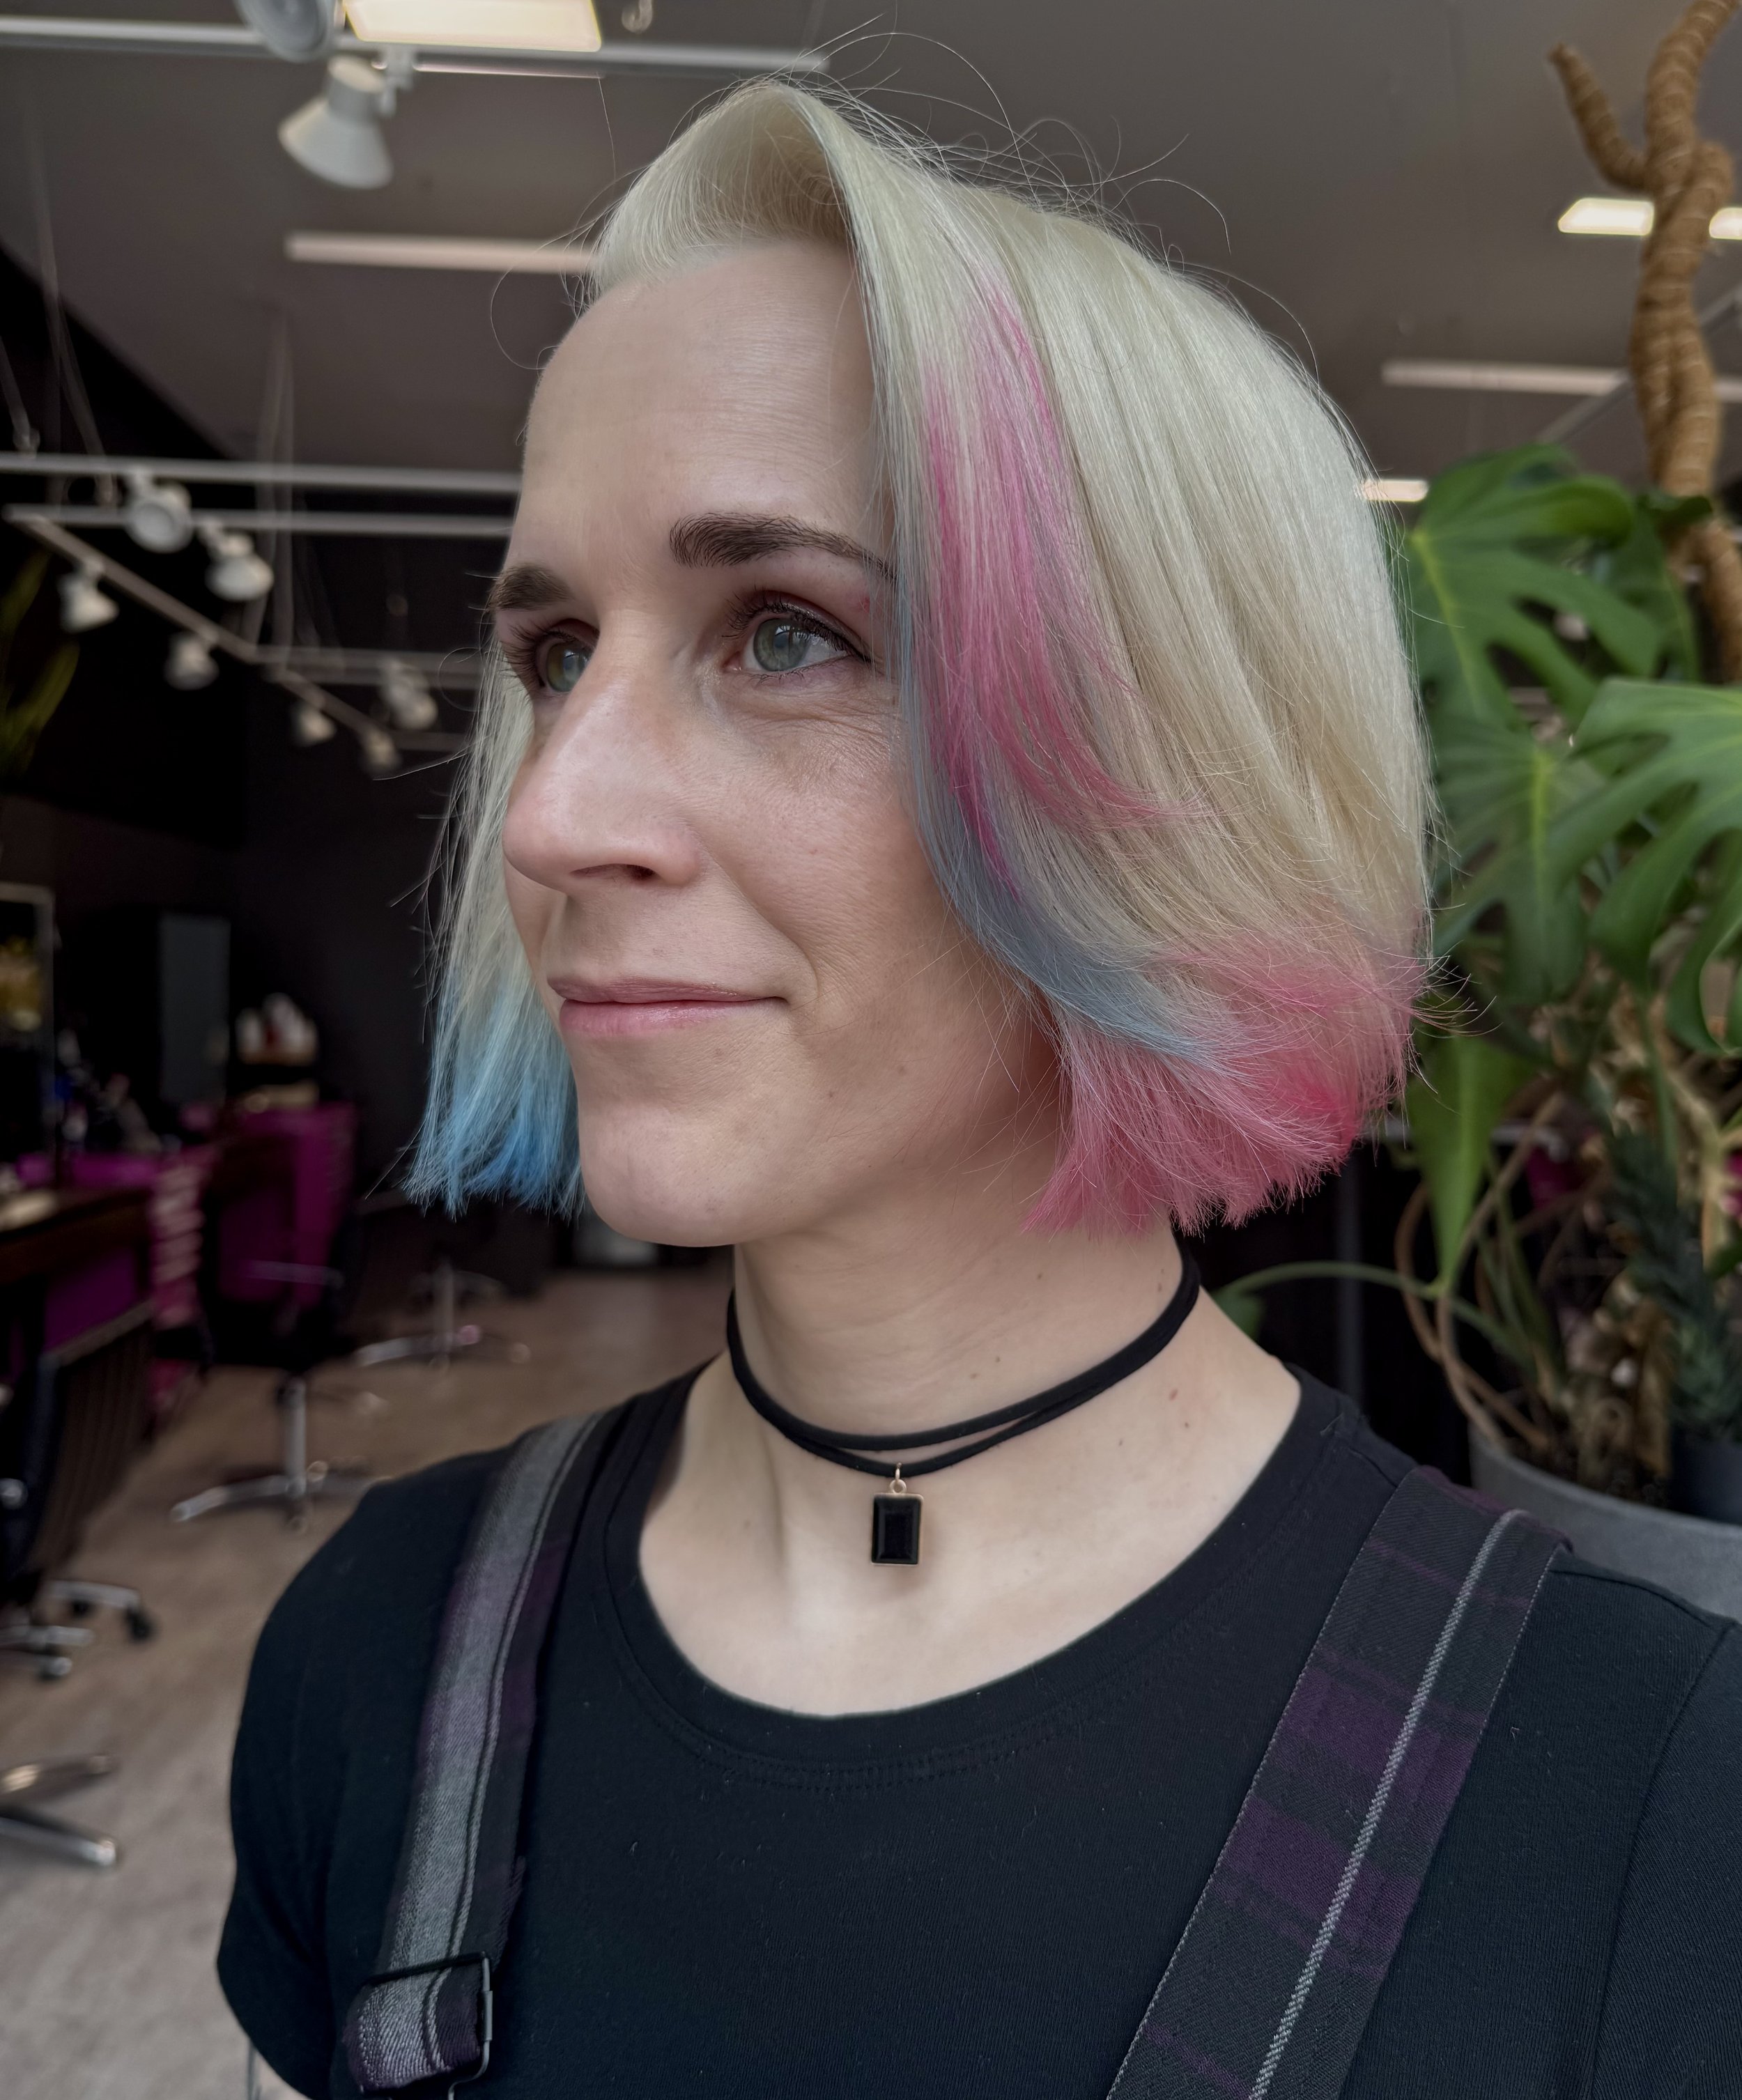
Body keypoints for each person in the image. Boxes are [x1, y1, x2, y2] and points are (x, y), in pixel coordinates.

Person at [219, 81, 1742, 2100]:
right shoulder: (380, 1663)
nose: (558, 814)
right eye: (556, 651)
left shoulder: (1639, 1800)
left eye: (783, 633)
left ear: (1167, 769)